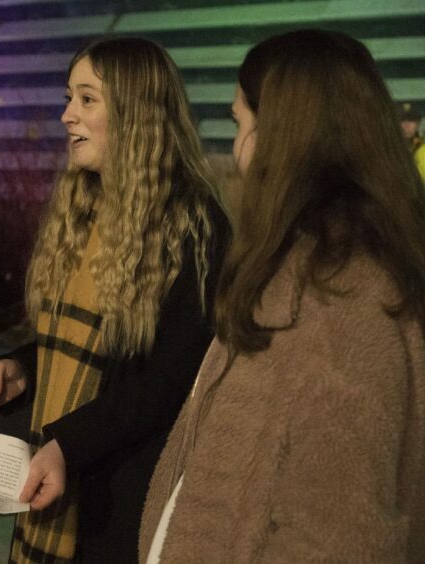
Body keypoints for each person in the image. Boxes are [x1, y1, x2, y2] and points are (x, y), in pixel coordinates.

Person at [138, 30, 425, 562]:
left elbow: (341, 538)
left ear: (283, 137)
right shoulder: (299, 278)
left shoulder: (344, 300)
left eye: (240, 124)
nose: (236, 151)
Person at [0, 38, 229, 562]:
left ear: (136, 113)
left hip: (121, 499)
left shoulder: (192, 228)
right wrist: (21, 371)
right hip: (59, 474)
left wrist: (70, 444)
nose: (66, 115)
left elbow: (166, 381)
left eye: (87, 99)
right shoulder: (80, 208)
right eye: (68, 98)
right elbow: (77, 345)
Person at [399, 101, 425, 180]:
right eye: (402, 120)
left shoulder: (422, 149)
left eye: (411, 120)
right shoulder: (387, 148)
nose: (406, 125)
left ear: (418, 123)